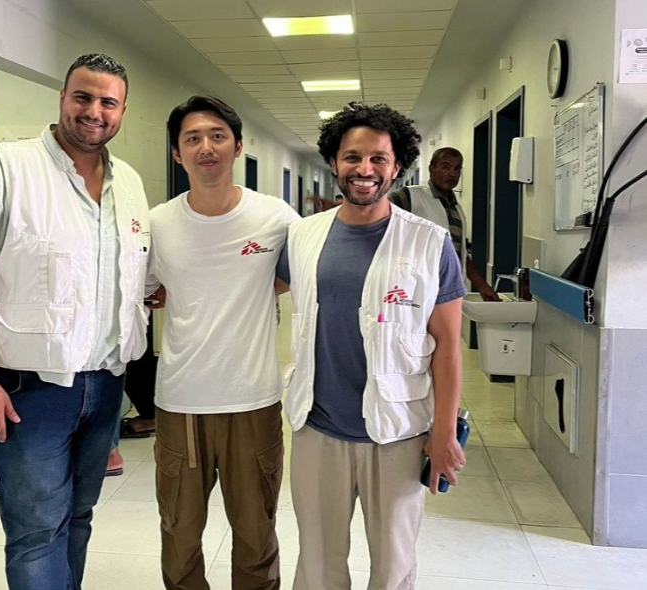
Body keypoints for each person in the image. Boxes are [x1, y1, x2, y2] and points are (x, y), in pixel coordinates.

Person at [0, 53, 150, 590]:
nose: (94, 111)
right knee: (36, 532)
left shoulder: (129, 183)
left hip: (106, 384)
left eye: (108, 102)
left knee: (78, 518)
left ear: (123, 111)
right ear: (62, 98)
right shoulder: (9, 165)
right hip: (28, 392)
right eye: (83, 97)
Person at [277, 102, 467, 590]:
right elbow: (249, 289)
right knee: (317, 562)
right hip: (317, 428)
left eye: (378, 158)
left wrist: (444, 434)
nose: (365, 169)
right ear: (334, 162)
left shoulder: (429, 242)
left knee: (393, 566)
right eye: (352, 157)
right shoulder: (302, 236)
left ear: (397, 166)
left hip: (399, 433)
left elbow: (448, 347)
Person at [148, 95, 299, 589]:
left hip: (252, 399)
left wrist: (251, 290)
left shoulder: (275, 216)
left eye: (217, 136)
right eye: (192, 139)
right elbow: (149, 290)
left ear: (237, 147)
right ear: (177, 154)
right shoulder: (158, 223)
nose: (206, 148)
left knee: (256, 536)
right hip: (181, 401)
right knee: (179, 536)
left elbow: (301, 271)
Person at [388, 147, 500, 301]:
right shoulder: (411, 196)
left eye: (457, 169)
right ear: (431, 169)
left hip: (449, 292)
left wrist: (481, 285)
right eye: (446, 167)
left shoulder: (457, 209)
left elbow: (460, 254)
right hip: (415, 291)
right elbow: (376, 213)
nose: (452, 174)